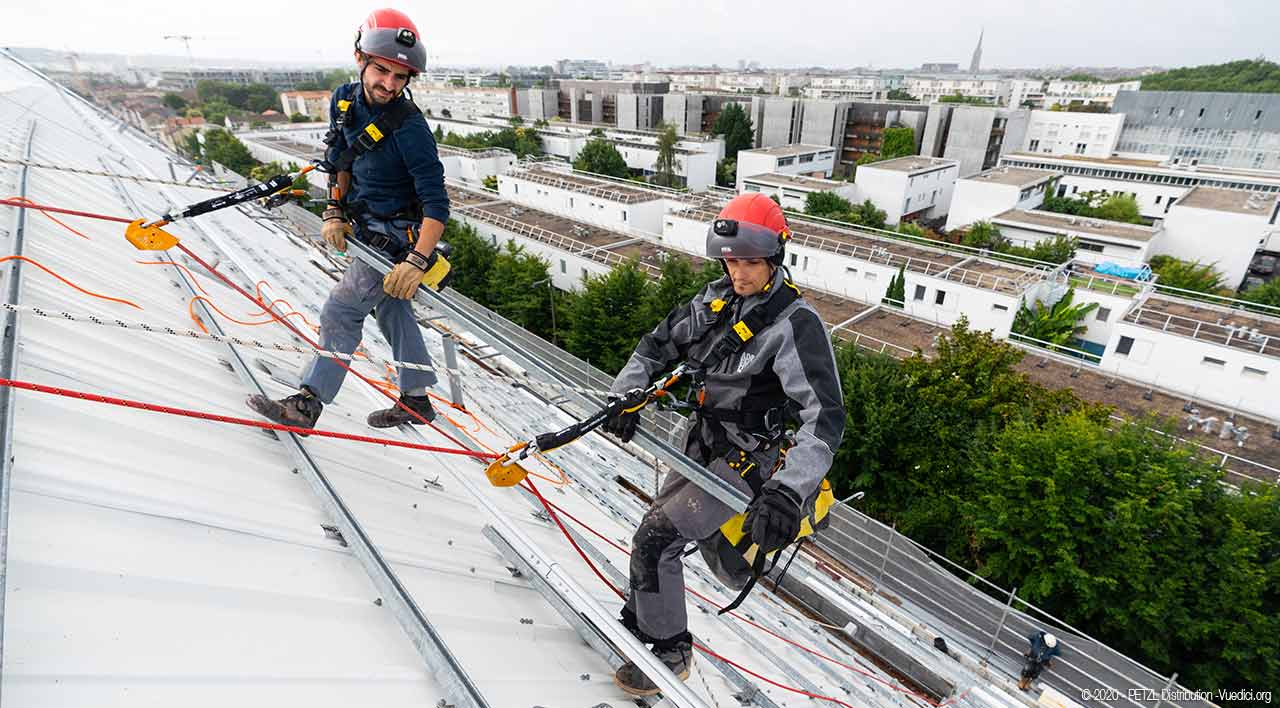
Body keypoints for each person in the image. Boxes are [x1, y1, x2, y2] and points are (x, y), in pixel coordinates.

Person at [603, 193, 845, 696]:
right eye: (731, 261)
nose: (739, 273)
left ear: (775, 258)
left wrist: (787, 491)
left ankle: (670, 650)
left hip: (749, 458)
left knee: (656, 536)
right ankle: (644, 617)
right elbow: (656, 346)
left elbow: (824, 419)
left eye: (750, 262)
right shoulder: (714, 303)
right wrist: (624, 394)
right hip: (703, 444)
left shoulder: (795, 326)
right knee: (653, 531)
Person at [248, 8, 449, 429]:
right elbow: (340, 158)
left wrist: (415, 260)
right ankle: (416, 400)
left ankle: (309, 402)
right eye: (382, 71)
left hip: (397, 234)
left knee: (342, 310)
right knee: (393, 311)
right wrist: (334, 208)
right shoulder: (343, 100)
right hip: (366, 220)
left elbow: (436, 204)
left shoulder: (410, 129)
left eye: (400, 77)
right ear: (361, 59)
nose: (389, 84)